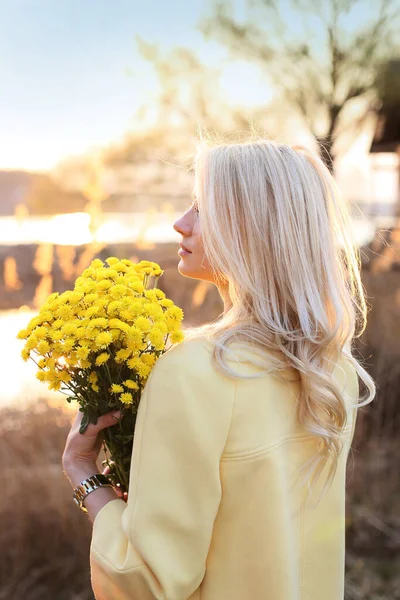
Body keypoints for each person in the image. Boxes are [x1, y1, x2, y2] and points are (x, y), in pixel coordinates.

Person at [62, 135, 376, 600]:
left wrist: (84, 471)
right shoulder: (330, 369)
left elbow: (148, 582)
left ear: (251, 228)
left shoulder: (195, 372)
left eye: (202, 208)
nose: (180, 223)